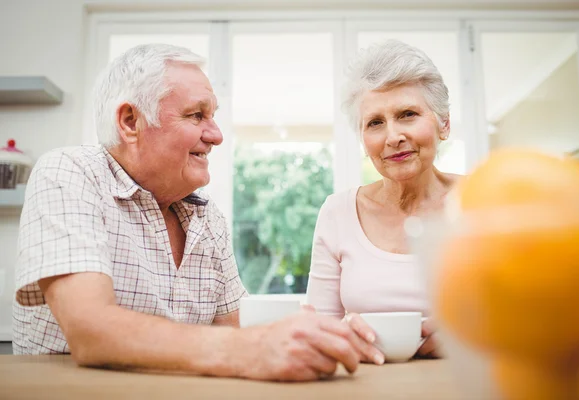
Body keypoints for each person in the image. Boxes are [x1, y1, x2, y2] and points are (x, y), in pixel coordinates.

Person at [12, 43, 378, 381]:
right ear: (129, 122)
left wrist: (328, 334)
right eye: (196, 115)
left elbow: (238, 326)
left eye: (213, 116)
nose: (216, 135)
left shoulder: (207, 218)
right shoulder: (69, 174)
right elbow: (91, 331)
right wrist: (248, 350)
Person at [306, 40, 460, 362]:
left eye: (407, 114)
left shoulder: (486, 201)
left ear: (443, 123)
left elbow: (538, 317)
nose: (392, 137)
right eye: (375, 122)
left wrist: (470, 337)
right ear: (363, 139)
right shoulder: (337, 212)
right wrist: (343, 335)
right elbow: (316, 331)